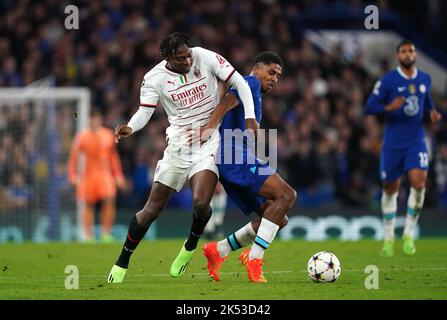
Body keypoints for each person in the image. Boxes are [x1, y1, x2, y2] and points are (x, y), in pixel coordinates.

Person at [107, 32, 256, 283]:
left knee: (200, 202)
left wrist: (250, 116)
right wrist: (131, 127)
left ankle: (190, 246)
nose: (187, 61)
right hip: (177, 146)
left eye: (188, 56)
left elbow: (239, 82)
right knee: (151, 210)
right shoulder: (154, 78)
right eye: (180, 58)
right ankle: (122, 261)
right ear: (166, 57)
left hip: (208, 142)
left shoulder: (205, 57)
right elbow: (145, 112)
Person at [180, 51, 297, 283]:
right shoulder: (249, 83)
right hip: (233, 156)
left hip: (233, 159)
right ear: (257, 69)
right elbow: (226, 102)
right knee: (287, 195)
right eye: (271, 72)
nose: (274, 79)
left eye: (279, 76)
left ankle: (219, 250)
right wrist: (209, 128)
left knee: (277, 218)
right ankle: (254, 259)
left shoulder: (255, 92)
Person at [365, 40, 442, 257]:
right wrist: (388, 107)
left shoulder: (425, 79)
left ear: (415, 55)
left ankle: (408, 234)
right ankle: (389, 238)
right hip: (392, 143)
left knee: (419, 183)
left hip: (416, 140)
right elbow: (370, 106)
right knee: (391, 188)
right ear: (398, 55)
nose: (408, 54)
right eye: (404, 51)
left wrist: (433, 113)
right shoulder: (388, 80)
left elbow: (427, 104)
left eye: (411, 51)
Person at [68, 110, 126, 243]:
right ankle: (88, 236)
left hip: (104, 175)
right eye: (91, 119)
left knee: (109, 201)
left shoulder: (107, 135)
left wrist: (118, 175)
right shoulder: (82, 136)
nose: (94, 122)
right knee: (88, 204)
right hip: (88, 176)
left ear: (100, 120)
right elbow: (74, 157)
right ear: (89, 121)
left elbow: (113, 157)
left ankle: (106, 234)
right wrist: (72, 175)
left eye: (96, 119)